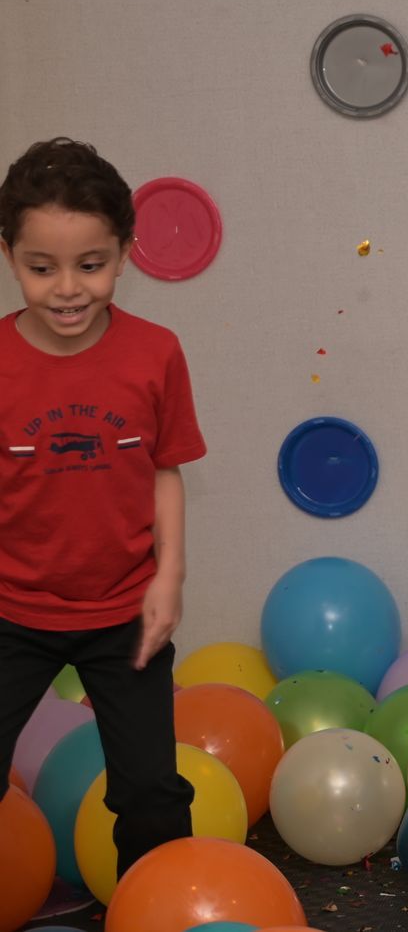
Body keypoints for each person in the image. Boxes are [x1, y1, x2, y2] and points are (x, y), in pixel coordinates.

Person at [0, 137, 206, 872]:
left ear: (124, 253)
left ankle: (155, 908)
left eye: (90, 265)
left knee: (152, 790)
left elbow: (164, 471)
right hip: (10, 613)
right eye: (40, 266)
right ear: (9, 256)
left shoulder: (155, 354)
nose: (66, 289)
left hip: (125, 615)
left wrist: (168, 577)